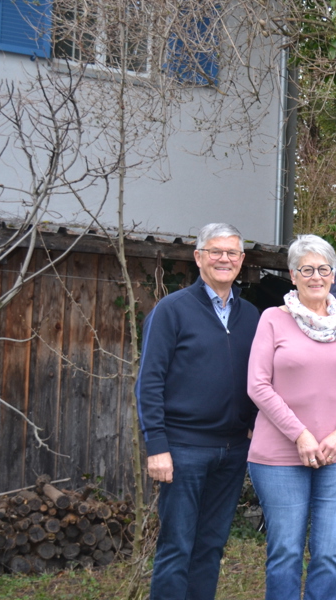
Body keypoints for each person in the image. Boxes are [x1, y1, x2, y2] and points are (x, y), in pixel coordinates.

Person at [247, 234, 336, 600]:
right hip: (280, 456)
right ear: (293, 274)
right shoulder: (273, 320)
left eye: (323, 269)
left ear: (333, 275)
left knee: (331, 553)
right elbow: (258, 385)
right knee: (285, 552)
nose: (315, 276)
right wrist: (300, 435)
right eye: (307, 269)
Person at [136, 222, 260, 600]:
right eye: (215, 251)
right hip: (183, 449)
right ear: (198, 257)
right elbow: (149, 381)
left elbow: (261, 378)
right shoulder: (172, 310)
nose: (224, 259)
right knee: (177, 546)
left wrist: (254, 425)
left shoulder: (253, 316)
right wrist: (156, 446)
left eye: (232, 253)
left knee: (210, 546)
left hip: (233, 449)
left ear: (241, 260)